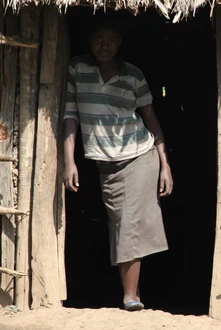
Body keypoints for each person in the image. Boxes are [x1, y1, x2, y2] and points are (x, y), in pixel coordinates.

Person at [62, 22, 173, 312]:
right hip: (105, 165)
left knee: (128, 222)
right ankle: (130, 290)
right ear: (89, 40)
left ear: (120, 43)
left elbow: (150, 119)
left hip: (139, 156)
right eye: (98, 38)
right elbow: (71, 115)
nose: (104, 46)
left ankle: (130, 296)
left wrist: (165, 164)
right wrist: (69, 160)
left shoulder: (133, 75)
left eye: (111, 40)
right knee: (119, 223)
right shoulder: (77, 69)